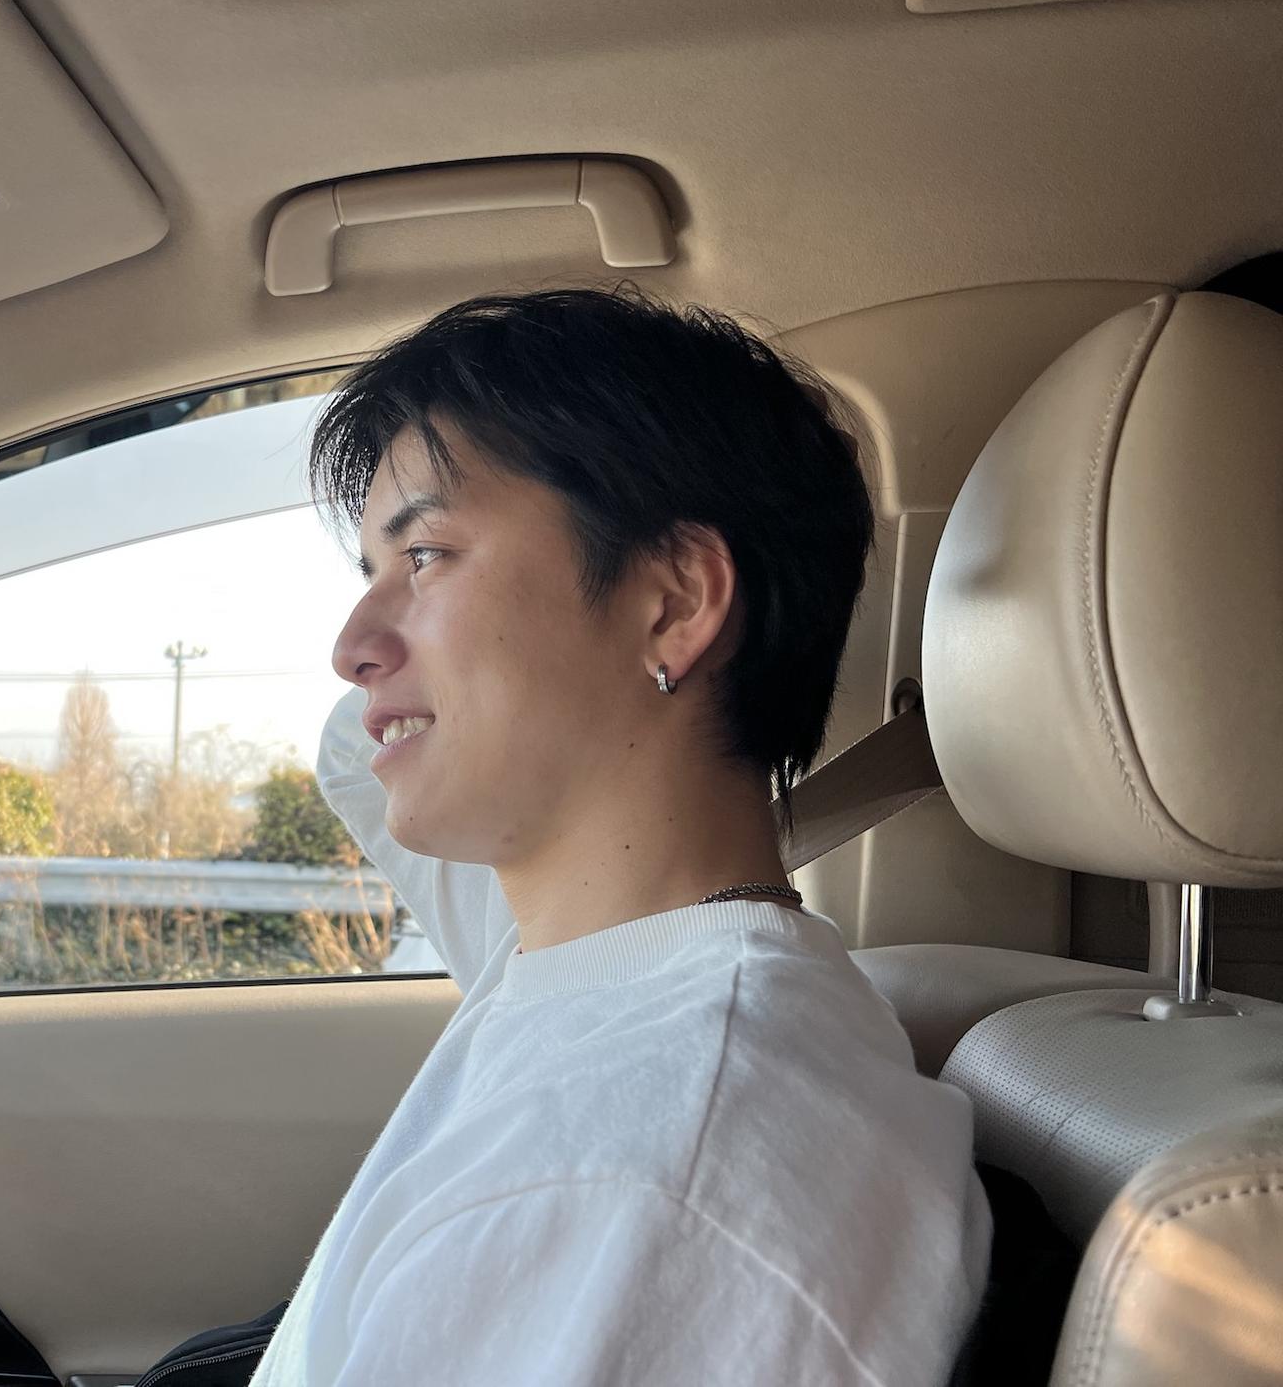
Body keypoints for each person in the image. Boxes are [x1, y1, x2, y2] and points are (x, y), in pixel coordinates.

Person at [249, 287, 991, 1385]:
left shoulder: (645, 1179)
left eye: (428, 555)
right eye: (371, 573)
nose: (352, 645)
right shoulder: (575, 960)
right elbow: (352, 751)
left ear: (674, 603)